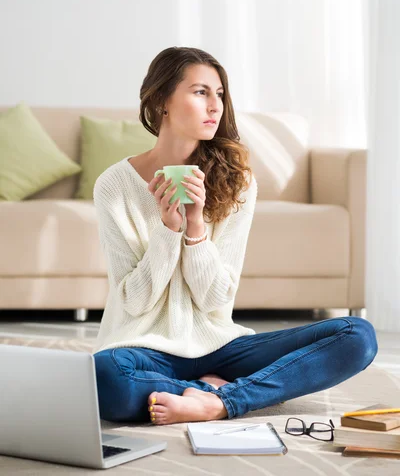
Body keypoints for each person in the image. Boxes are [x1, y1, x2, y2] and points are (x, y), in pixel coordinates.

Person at [92, 46, 378, 426]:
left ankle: (217, 400)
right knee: (105, 376)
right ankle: (215, 390)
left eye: (220, 95)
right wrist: (168, 229)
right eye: (200, 92)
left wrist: (196, 229)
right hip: (144, 349)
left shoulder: (237, 182)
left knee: (357, 335)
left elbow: (216, 299)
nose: (215, 106)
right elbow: (134, 302)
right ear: (162, 99)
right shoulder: (115, 185)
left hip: (222, 345)